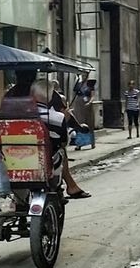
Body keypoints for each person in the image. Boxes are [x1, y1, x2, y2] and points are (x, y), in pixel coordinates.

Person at [6, 71, 91, 199]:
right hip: (42, 155)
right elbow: (64, 137)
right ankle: (69, 186)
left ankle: (19, 201)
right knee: (60, 150)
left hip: (12, 153)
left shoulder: (10, 95)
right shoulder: (50, 102)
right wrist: (75, 126)